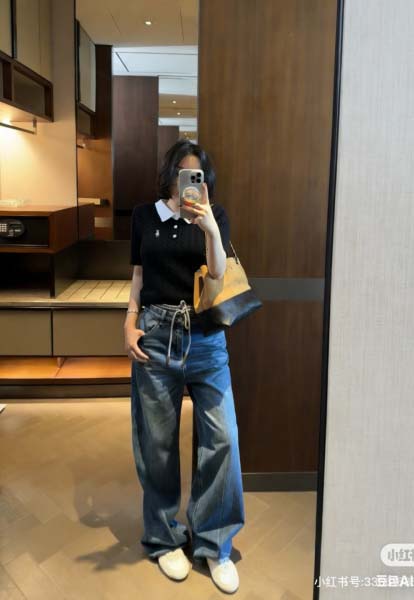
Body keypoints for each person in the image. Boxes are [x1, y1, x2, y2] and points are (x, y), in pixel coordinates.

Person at [124, 139, 245, 594]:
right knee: (157, 443)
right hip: (156, 336)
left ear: (204, 180)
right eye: (182, 172)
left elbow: (217, 274)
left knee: (223, 438)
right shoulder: (143, 216)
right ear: (170, 174)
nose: (189, 182)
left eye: (197, 175)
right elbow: (138, 276)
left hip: (207, 339)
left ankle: (214, 541)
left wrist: (209, 226)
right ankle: (163, 536)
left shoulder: (215, 215)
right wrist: (129, 322)